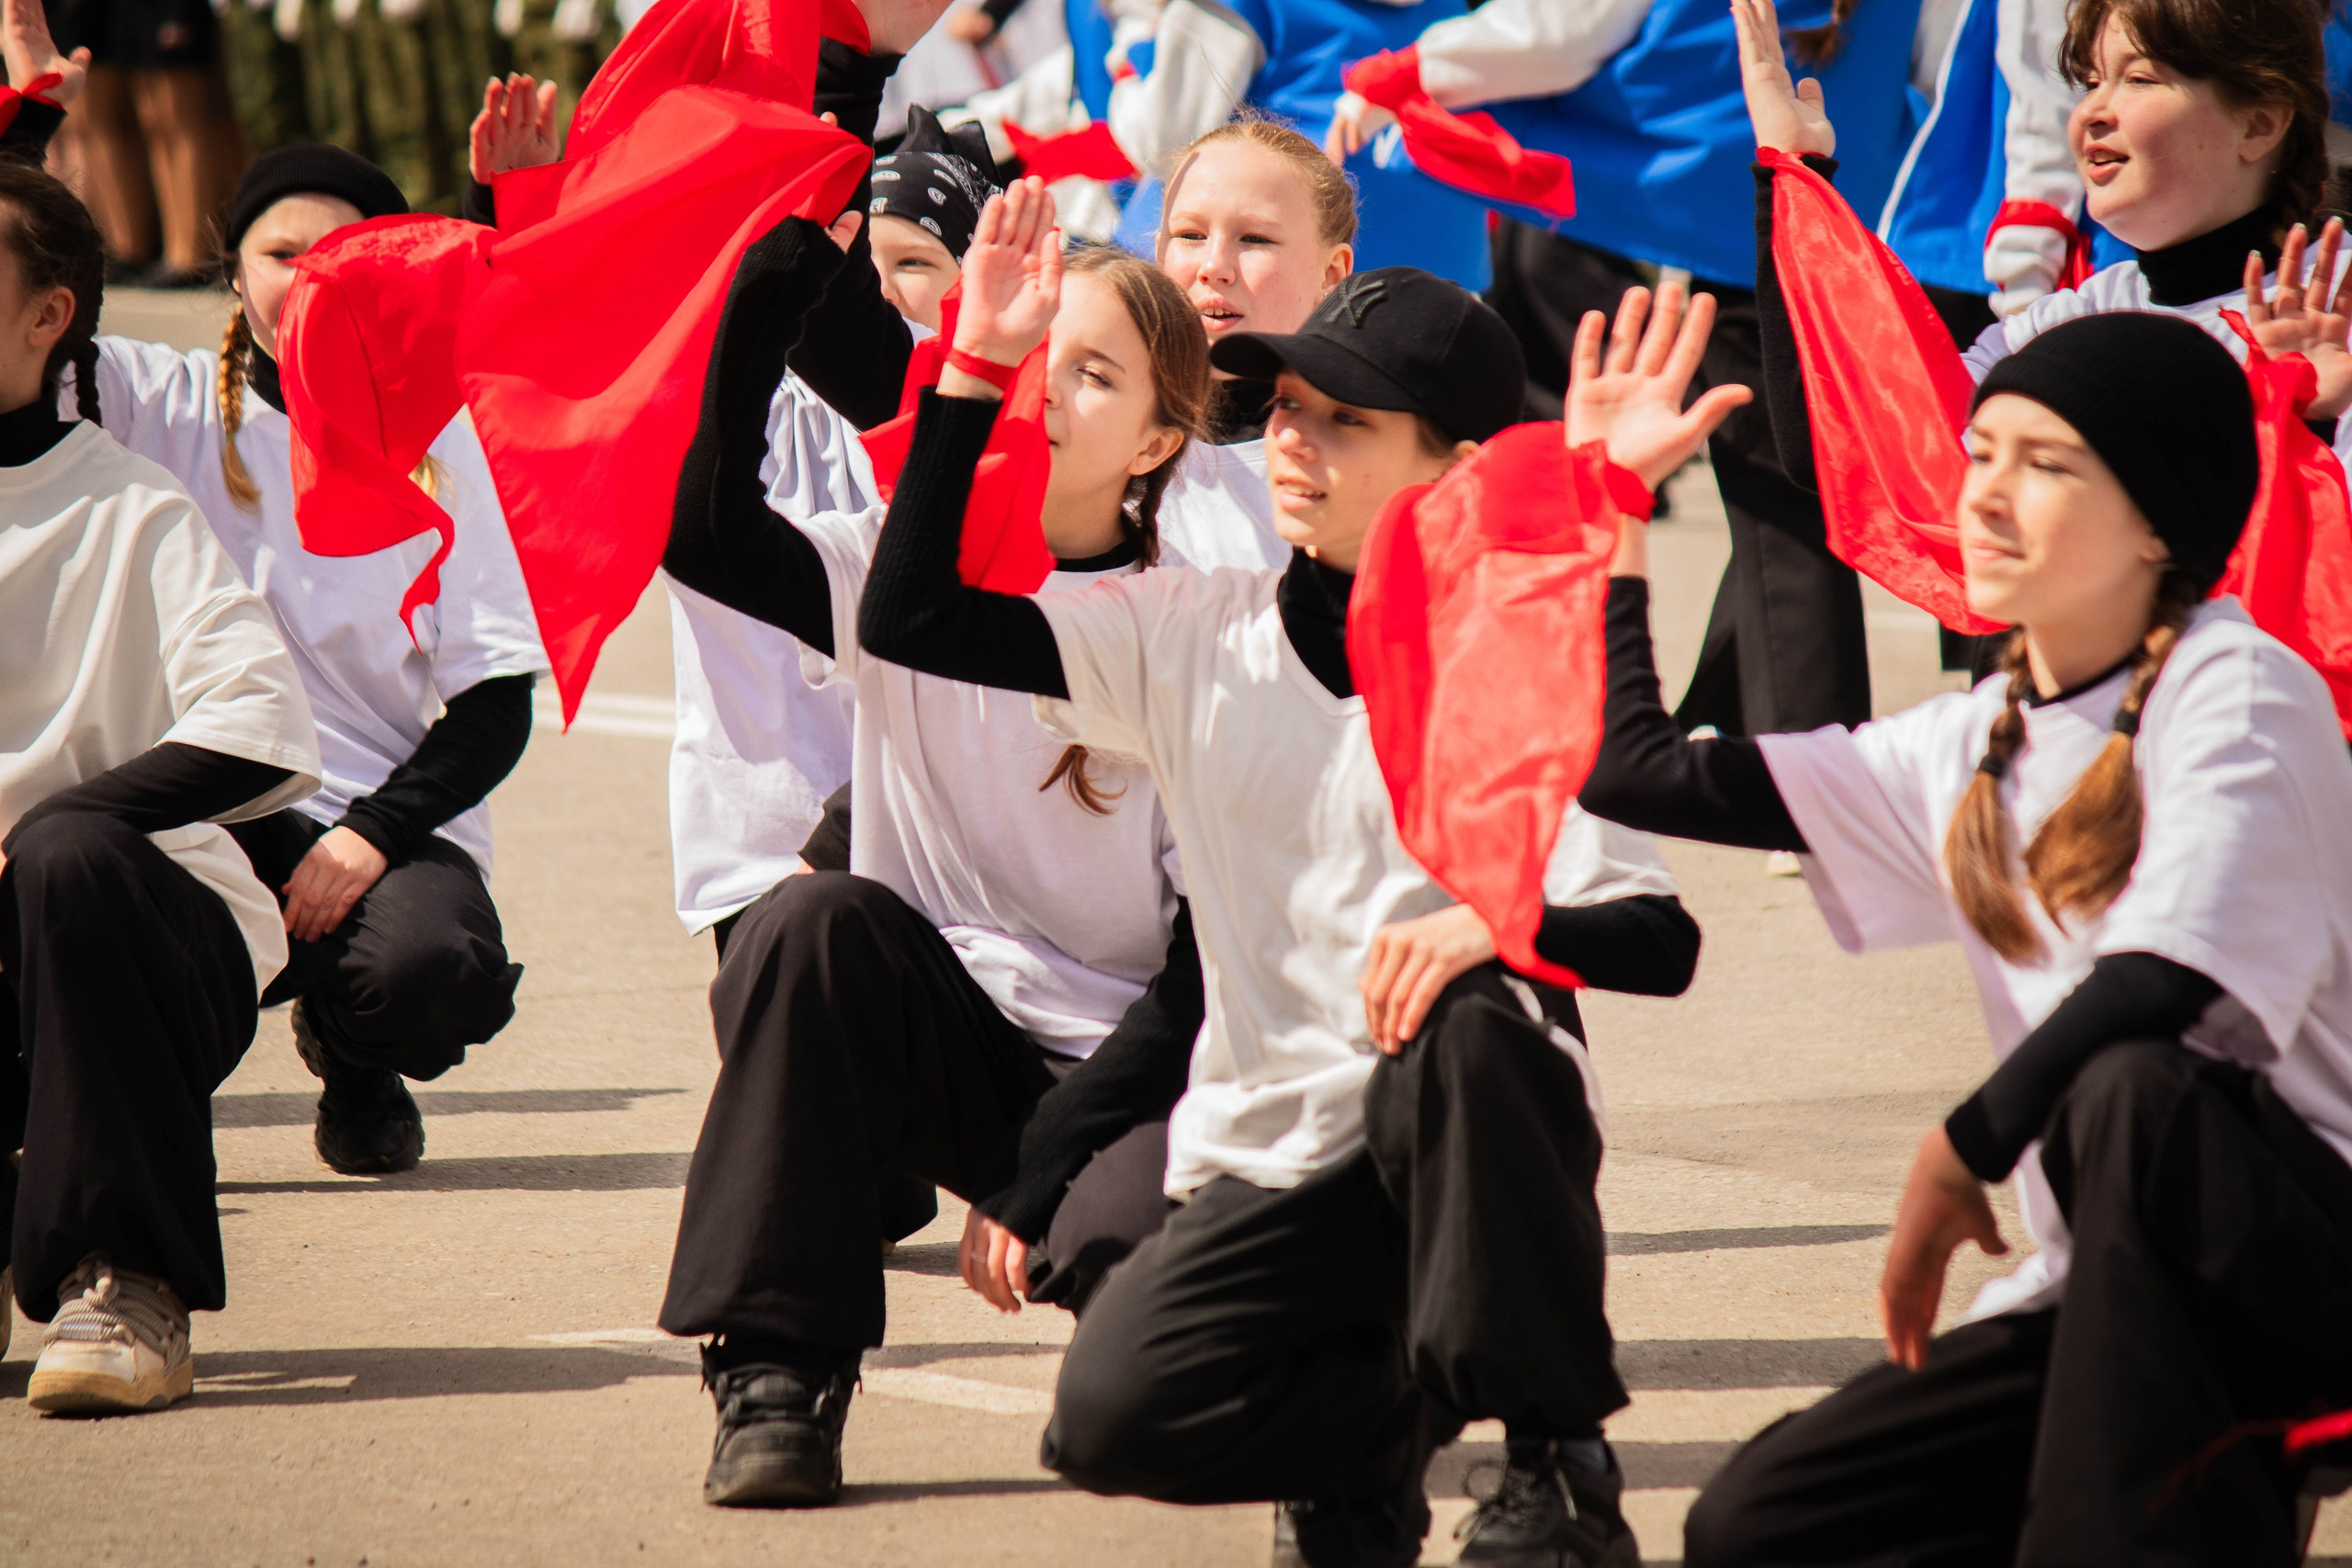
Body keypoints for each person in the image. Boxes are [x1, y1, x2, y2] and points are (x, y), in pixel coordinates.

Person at [857, 181, 1715, 1568]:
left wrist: (1495, 924)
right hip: (1272, 1158)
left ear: (1450, 465)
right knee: (1114, 1420)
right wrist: (973, 369)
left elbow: (1657, 936)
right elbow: (911, 618)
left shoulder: (1512, 655)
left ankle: (1560, 1461)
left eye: (1346, 419)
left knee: (1472, 1022)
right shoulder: (1192, 630)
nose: (1293, 441)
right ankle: (1369, 1453)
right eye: (1290, 406)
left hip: (1461, 1146)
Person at [1576, 302, 2352, 1563]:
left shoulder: (2240, 682)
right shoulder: (1972, 734)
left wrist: (1962, 1142)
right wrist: (1609, 499)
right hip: (2101, 1283)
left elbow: (2166, 975)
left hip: (2293, 1262)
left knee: (2128, 1085)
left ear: (2161, 521)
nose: (1986, 493)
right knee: (1757, 1522)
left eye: (2045, 464)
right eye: (1980, 451)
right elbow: (1635, 770)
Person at [655, 192, 1215, 1509]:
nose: (1052, 388)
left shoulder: (1198, 633)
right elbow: (706, 534)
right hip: (939, 1033)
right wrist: (760, 305)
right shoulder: (905, 566)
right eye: (1034, 354)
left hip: (1129, 1070)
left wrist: (1043, 1168)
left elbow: (1206, 977)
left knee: (1154, 1378)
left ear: (1158, 439)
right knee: (808, 919)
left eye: (1097, 370)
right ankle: (778, 1369)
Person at [12, 105, 548, 1171]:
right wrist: (27, 130)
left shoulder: (447, 443)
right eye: (280, 253)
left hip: (364, 822)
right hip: (190, 801)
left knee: (433, 971)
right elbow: (25, 300)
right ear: (233, 270)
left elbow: (495, 703)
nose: (308, 278)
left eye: (342, 255)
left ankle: (354, 1049)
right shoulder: (148, 399)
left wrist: (370, 836)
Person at [0, 154, 322, 1414]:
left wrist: (70, 812)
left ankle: (132, 1279)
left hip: (138, 932)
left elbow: (262, 716)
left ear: (47, 317)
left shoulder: (131, 505)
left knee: (72, 851)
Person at [1742, 0, 2352, 497]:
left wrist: (2310, 422)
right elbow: (1854, 457)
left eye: (2138, 78)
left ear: (2259, 125)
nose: (2092, 112)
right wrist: (1794, 180)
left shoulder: (2335, 319)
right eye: (2088, 82)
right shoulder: (2067, 324)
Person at [1100, 0, 1491, 288]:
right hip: (1437, 291)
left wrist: (1128, 58)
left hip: (1255, 300)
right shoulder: (1464, 12)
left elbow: (1167, 141)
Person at [1150, 116, 1353, 572]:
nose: (1214, 266)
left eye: (1255, 238)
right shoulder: (1096, 423)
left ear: (1331, 274)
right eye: (1190, 236)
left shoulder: (1368, 451)